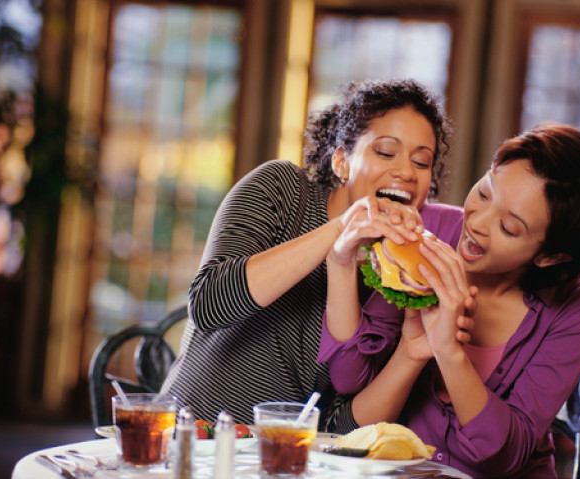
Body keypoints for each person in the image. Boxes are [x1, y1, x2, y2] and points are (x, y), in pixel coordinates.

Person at [159, 78, 466, 426]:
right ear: (341, 162)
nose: (406, 172)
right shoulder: (283, 190)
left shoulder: (399, 277)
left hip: (285, 458)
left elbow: (341, 425)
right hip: (193, 435)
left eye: (421, 162)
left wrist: (411, 355)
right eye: (385, 152)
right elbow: (209, 305)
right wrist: (341, 230)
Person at [320, 124, 580, 478]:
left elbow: (504, 456)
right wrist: (341, 265)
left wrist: (449, 351)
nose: (477, 222)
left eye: (509, 228)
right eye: (485, 192)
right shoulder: (427, 232)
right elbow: (348, 377)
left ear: (550, 256)